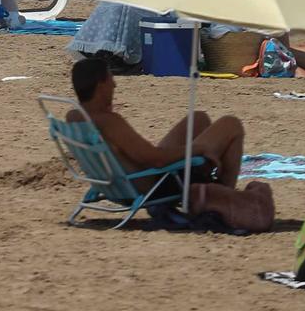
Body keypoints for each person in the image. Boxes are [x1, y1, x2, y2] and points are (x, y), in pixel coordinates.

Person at [69, 56, 274, 229]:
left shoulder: (75, 118)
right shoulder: (109, 122)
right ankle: (219, 194)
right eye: (110, 79)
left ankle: (216, 190)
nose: (114, 84)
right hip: (155, 183)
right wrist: (197, 149)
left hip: (127, 178)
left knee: (199, 118)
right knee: (231, 124)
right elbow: (154, 159)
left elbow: (143, 156)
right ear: (100, 84)